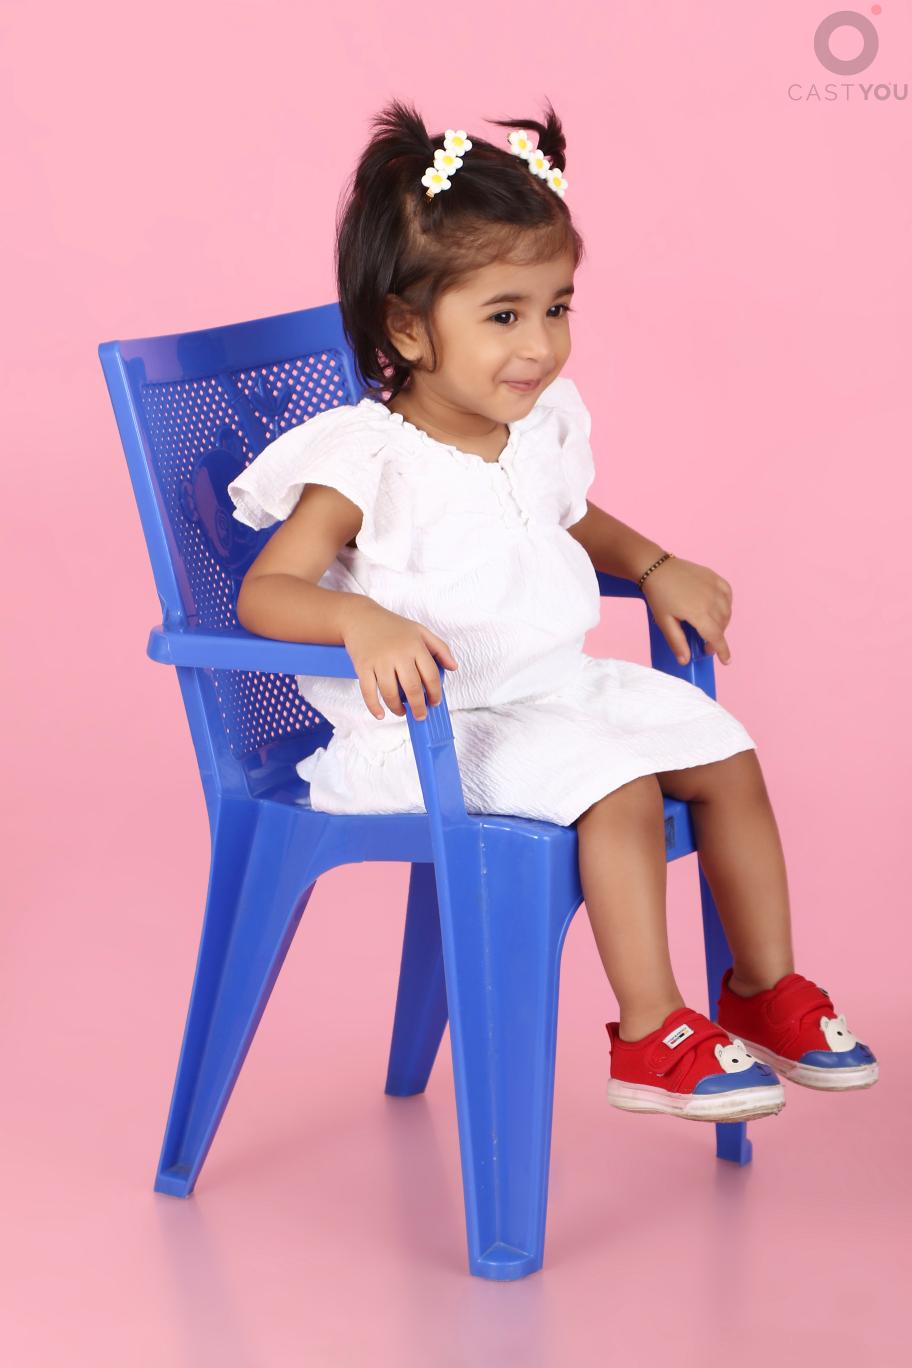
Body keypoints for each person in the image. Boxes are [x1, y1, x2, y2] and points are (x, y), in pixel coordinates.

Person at [227, 98, 878, 1123]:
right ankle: (650, 1030)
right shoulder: (368, 459)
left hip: (551, 693)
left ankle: (760, 987)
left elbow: (568, 517)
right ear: (407, 327)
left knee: (725, 754)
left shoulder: (531, 428)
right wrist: (359, 622)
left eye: (557, 308)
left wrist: (653, 563)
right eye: (504, 316)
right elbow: (266, 591)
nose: (540, 346)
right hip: (432, 729)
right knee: (618, 789)